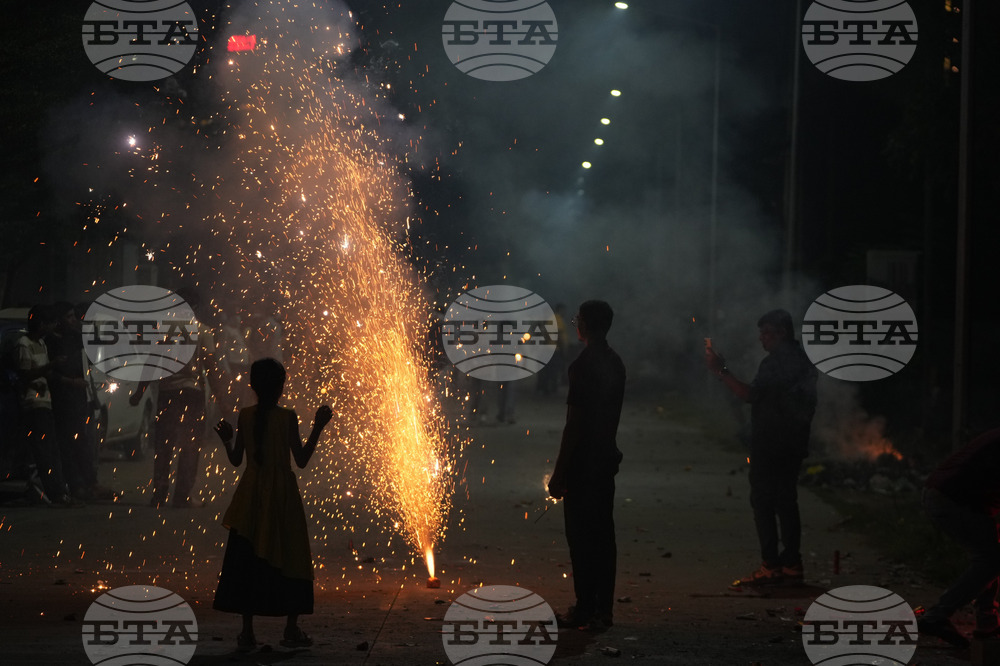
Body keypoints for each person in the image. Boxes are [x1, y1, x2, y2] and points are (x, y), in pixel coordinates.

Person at [211, 358, 332, 651]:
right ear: (281, 387)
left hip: (250, 495)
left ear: (253, 386)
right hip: (281, 496)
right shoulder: (287, 417)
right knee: (290, 553)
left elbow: (237, 460)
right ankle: (291, 628)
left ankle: (247, 632)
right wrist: (318, 427)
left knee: (248, 558)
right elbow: (301, 461)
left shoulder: (245, 416)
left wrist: (226, 441)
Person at [705, 309, 817, 587]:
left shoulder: (776, 363)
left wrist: (721, 371)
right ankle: (791, 564)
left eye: (766, 333)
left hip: (771, 443)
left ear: (781, 333)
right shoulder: (804, 361)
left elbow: (750, 395)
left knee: (764, 502)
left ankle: (771, 565)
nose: (761, 339)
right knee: (787, 502)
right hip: (793, 442)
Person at [548, 300, 626, 632]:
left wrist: (559, 472)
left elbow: (574, 425)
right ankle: (602, 609)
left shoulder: (582, 366)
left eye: (577, 319)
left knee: (581, 539)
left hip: (583, 466)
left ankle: (584, 608)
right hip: (605, 460)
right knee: (603, 538)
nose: (575, 323)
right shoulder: (615, 362)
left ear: (584, 325)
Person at [130, 287, 230, 508]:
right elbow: (211, 368)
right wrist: (222, 400)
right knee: (190, 446)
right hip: (192, 394)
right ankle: (182, 495)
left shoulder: (161, 331)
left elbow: (150, 364)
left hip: (168, 393)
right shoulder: (202, 331)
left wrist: (139, 392)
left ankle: (159, 494)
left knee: (164, 445)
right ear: (195, 308)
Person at [917, 428, 1000, 648]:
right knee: (990, 558)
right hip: (952, 499)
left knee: (990, 554)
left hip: (946, 495)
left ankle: (987, 623)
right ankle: (936, 617)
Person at [46, 301, 106, 501]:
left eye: (74, 316)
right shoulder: (50, 342)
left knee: (84, 442)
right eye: (69, 317)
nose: (73, 320)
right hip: (62, 400)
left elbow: (94, 353)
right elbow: (49, 373)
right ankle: (76, 485)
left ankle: (91, 483)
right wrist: (71, 382)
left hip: (81, 399)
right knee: (68, 444)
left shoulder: (76, 338)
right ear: (58, 320)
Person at [15, 305, 72, 505]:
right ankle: (53, 493)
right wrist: (51, 365)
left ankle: (57, 490)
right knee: (44, 451)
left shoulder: (41, 343)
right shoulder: (24, 344)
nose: (52, 327)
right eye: (48, 323)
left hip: (45, 402)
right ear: (40, 324)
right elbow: (25, 374)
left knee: (52, 449)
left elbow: (44, 372)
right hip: (33, 403)